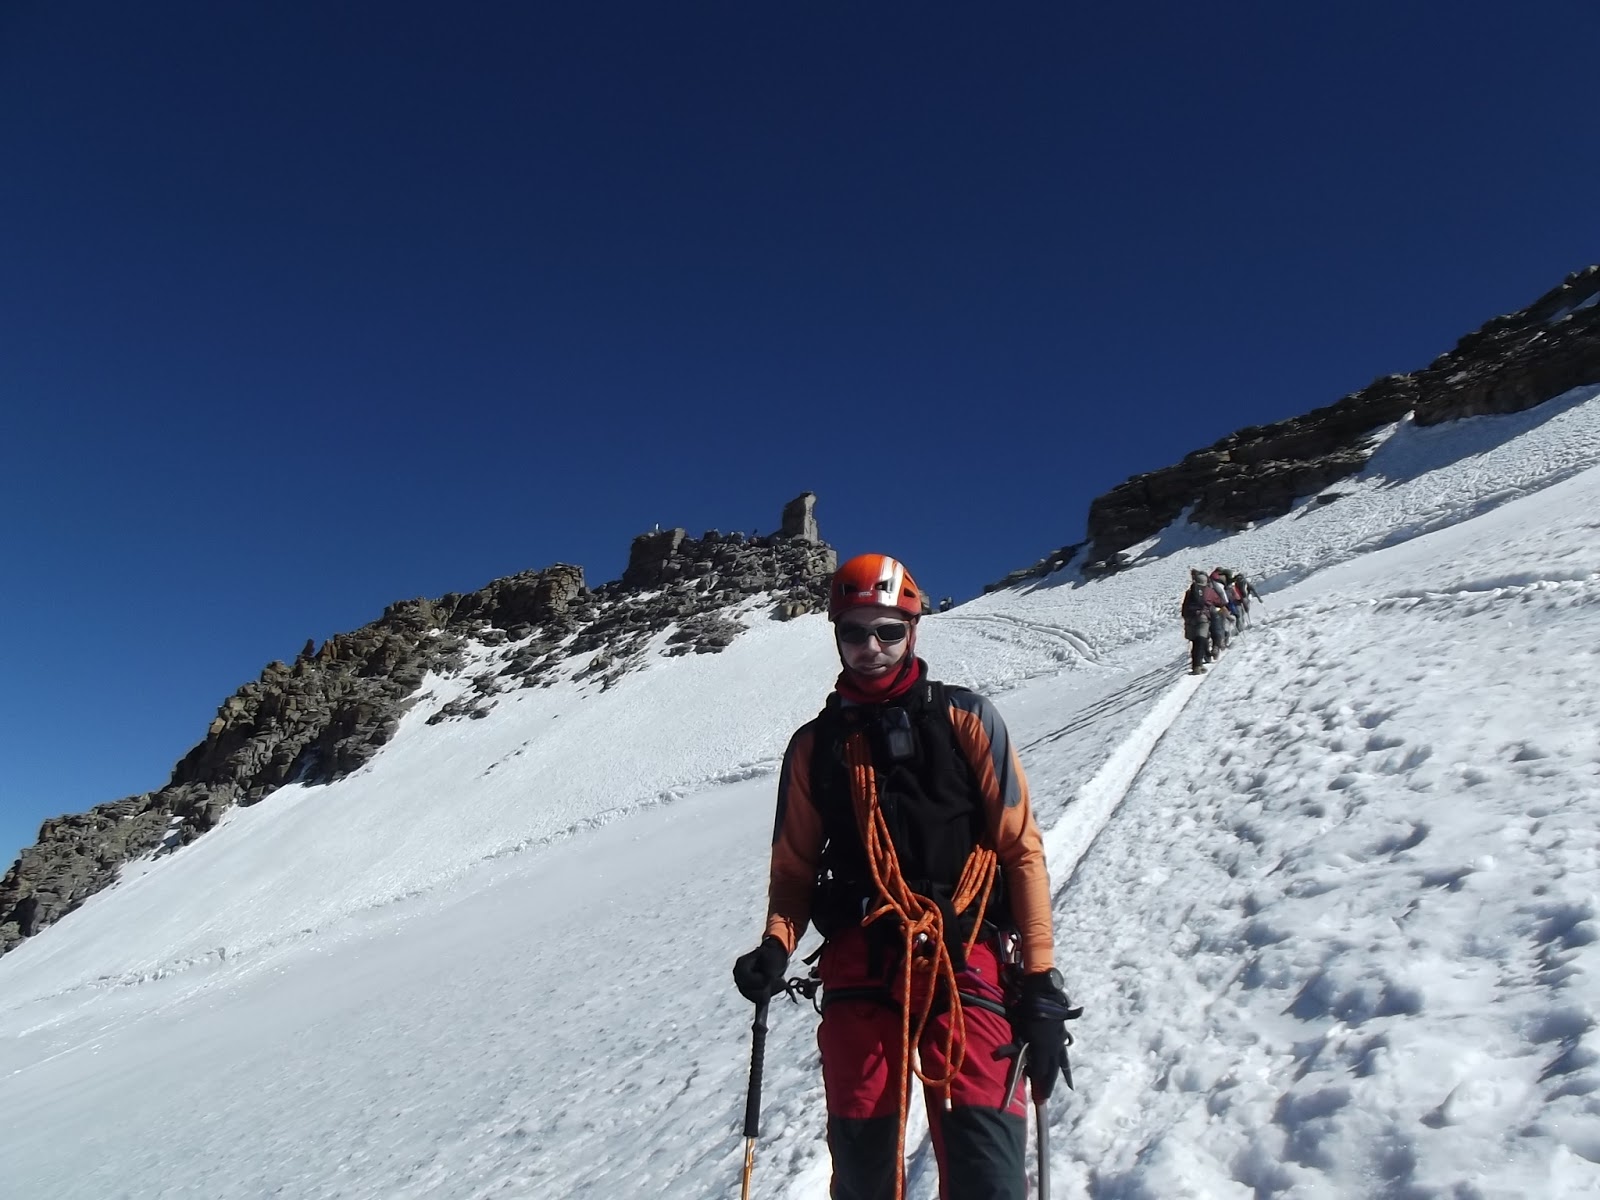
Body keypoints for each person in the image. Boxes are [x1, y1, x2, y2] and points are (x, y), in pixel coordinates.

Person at [733, 554, 1075, 1200]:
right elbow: (794, 870)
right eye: (855, 632)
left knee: (989, 1174)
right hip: (861, 963)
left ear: (912, 631)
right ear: (837, 635)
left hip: (964, 954)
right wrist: (777, 944)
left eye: (887, 631)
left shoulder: (966, 720)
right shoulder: (814, 748)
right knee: (863, 1176)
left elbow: (1019, 851)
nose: (871, 647)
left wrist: (1040, 981)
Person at [1181, 569, 1212, 674]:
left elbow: (1184, 608)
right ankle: (1198, 665)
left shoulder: (1189, 591)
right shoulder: (1206, 591)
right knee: (1201, 640)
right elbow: (1217, 601)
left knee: (1195, 642)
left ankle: (1196, 666)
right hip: (1202, 618)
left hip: (1190, 619)